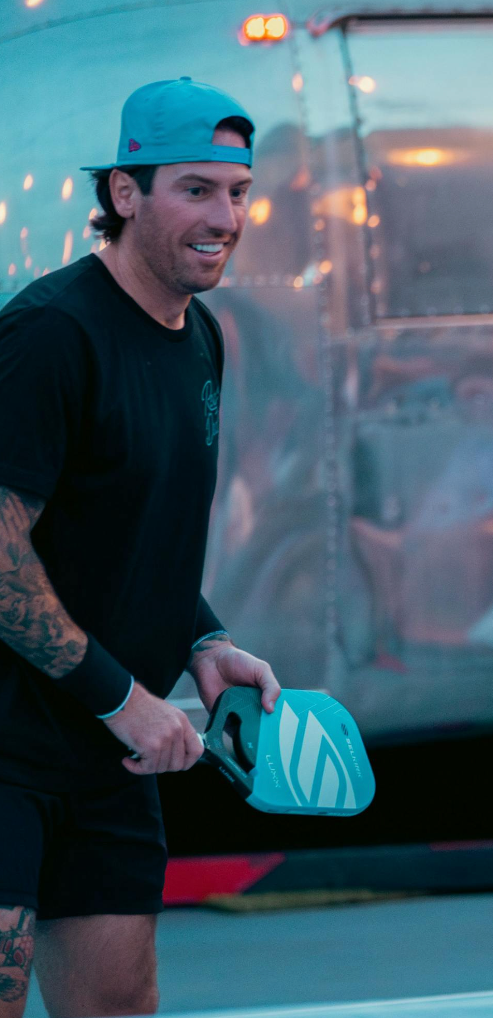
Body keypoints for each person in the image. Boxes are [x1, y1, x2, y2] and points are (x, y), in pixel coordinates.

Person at [0, 77, 281, 1017]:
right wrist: (123, 698)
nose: (225, 216)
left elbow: (127, 525)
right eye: (195, 189)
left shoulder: (197, 335)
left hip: (110, 750)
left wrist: (202, 640)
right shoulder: (50, 335)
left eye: (237, 191)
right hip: (13, 738)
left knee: (117, 1007)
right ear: (125, 193)